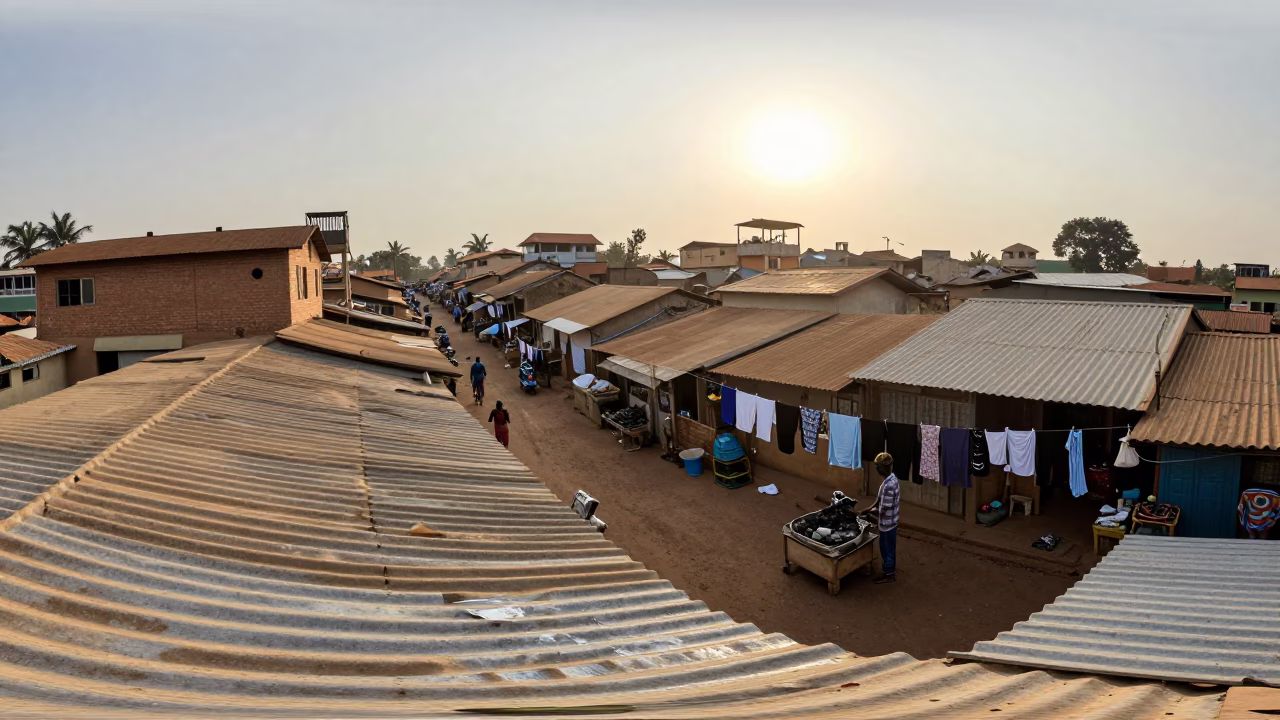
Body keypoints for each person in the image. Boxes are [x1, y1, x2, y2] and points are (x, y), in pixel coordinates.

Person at [863, 451, 901, 584]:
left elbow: (883, 509)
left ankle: (889, 574)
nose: (877, 469)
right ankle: (890, 568)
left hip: (888, 523)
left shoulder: (889, 485)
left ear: (883, 468)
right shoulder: (890, 479)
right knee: (889, 547)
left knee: (886, 548)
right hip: (889, 521)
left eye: (878, 467)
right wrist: (867, 510)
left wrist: (869, 514)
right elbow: (878, 500)